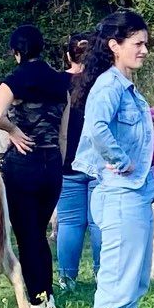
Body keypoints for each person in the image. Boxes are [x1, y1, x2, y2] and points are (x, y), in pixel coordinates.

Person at [73, 11, 154, 308]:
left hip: (135, 194)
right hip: (119, 195)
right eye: (138, 43)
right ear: (114, 46)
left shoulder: (126, 86)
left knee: (134, 282)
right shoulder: (109, 86)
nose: (145, 50)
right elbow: (96, 128)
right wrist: (121, 161)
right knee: (117, 282)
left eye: (146, 43)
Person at [0, 24, 70, 308]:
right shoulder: (61, 83)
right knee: (39, 234)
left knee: (28, 236)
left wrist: (13, 131)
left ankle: (37, 306)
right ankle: (45, 298)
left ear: (17, 53)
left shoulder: (14, 81)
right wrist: (57, 162)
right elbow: (62, 134)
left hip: (23, 163)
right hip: (52, 164)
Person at [56, 31, 101, 287]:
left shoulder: (58, 83)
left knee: (70, 222)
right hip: (97, 161)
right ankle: (101, 273)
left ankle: (67, 278)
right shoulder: (101, 81)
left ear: (67, 55)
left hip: (67, 162)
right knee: (98, 222)